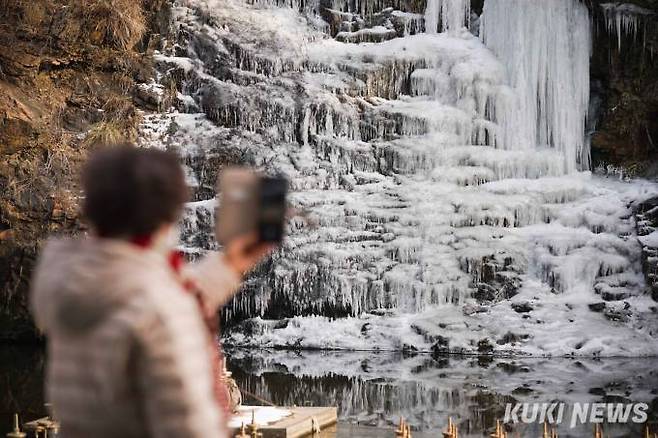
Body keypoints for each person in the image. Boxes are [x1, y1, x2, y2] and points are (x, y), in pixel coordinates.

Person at [30, 145, 274, 438]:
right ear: (167, 214)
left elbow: (156, 290)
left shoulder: (80, 279)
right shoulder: (158, 308)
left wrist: (232, 264)